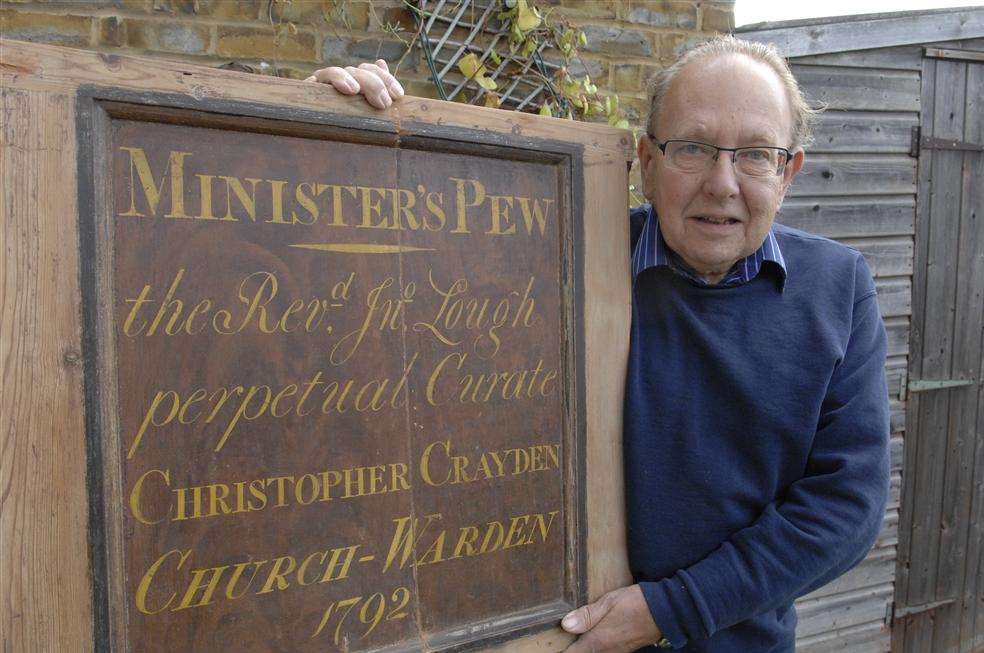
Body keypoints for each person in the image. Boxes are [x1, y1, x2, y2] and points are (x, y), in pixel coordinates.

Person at [307, 35, 890, 653]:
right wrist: (326, 140)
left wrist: (672, 608)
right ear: (644, 159)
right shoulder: (552, 257)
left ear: (788, 172)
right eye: (692, 148)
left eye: (754, 155)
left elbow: (845, 505)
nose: (723, 183)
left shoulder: (838, 288)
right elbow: (384, 309)